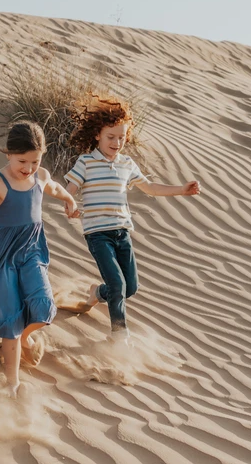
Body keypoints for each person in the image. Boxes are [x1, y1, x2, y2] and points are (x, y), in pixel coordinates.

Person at [0, 121, 78, 397]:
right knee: (10, 319)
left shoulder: (40, 176)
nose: (28, 168)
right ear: (8, 154)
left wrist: (69, 200)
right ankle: (13, 383)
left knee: (45, 308)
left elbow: (54, 188)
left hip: (30, 250)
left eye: (35, 161)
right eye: (22, 161)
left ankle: (23, 337)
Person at [64, 93, 201, 340]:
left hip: (122, 232)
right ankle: (119, 336)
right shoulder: (85, 162)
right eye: (111, 137)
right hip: (97, 233)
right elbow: (70, 190)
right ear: (97, 135)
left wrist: (181, 189)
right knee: (118, 285)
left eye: (122, 137)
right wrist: (70, 203)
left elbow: (150, 188)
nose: (117, 142)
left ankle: (97, 293)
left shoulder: (127, 164)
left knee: (130, 288)